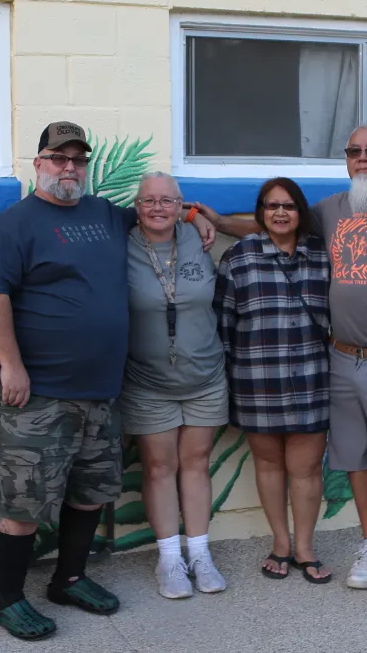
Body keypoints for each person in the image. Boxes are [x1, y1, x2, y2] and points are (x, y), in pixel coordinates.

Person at [189, 124, 367, 611]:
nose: (364, 159)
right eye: (354, 151)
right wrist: (213, 219)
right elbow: (276, 227)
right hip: (341, 359)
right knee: (357, 460)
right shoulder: (334, 209)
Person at [0, 121, 216, 640]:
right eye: (58, 158)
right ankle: (9, 599)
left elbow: (158, 211)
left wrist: (195, 215)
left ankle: (69, 579)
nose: (69, 168)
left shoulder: (106, 214)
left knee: (89, 492)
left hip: (101, 389)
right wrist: (10, 364)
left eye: (78, 160)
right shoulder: (14, 225)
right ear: (39, 164)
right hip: (36, 392)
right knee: (23, 501)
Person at [213, 177, 333, 585]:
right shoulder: (238, 257)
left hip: (312, 377)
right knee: (268, 464)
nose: (280, 213)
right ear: (261, 212)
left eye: (289, 206)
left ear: (301, 212)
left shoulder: (322, 255)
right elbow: (223, 324)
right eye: (271, 205)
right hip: (256, 379)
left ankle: (305, 548)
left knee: (307, 467)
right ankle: (280, 543)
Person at [119, 171, 228, 600]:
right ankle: (169, 559)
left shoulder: (198, 237)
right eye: (149, 200)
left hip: (205, 375)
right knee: (159, 467)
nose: (158, 208)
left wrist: (198, 215)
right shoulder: (122, 243)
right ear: (136, 206)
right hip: (147, 380)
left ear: (182, 205)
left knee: (196, 462)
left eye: (168, 201)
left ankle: (200, 553)